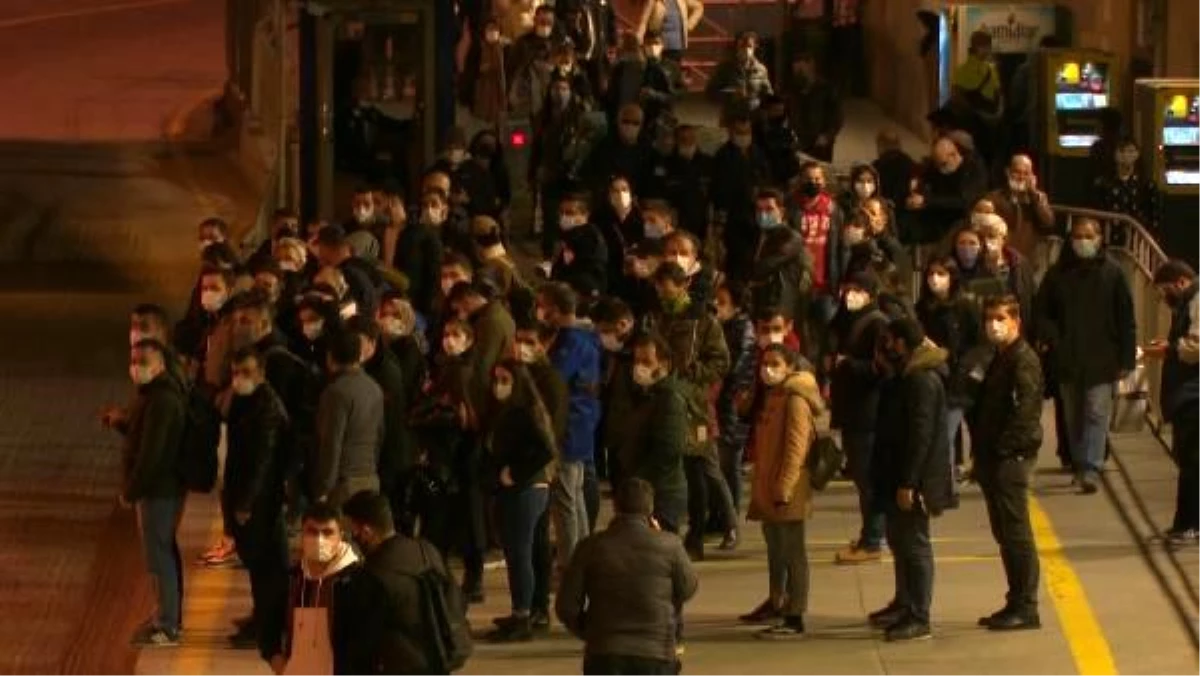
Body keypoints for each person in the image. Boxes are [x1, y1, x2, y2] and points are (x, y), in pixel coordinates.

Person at [867, 318, 954, 642]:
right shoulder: (903, 377)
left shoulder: (921, 381)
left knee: (914, 544)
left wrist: (909, 482)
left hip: (912, 479)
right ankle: (904, 602)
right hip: (896, 474)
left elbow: (921, 435)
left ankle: (919, 613)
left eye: (890, 341)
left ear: (902, 343)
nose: (886, 347)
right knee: (899, 541)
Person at [556, 478, 698, 675]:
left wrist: (592, 632)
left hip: (605, 652)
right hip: (656, 652)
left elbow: (567, 607)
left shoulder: (590, 546)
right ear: (651, 510)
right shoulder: (670, 544)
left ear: (615, 506)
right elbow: (687, 588)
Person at [1036, 217, 1136, 493]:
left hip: (1103, 358)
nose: (1082, 242)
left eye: (1088, 236)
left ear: (1099, 238)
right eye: (1078, 236)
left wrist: (1127, 359)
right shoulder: (1058, 274)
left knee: (1096, 412)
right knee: (1073, 415)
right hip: (1068, 358)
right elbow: (1042, 311)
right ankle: (1080, 464)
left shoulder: (1113, 274)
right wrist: (1053, 338)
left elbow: (1126, 317)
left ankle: (1091, 467)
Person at [971, 295, 1044, 631]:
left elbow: (1026, 411)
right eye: (989, 318)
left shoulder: (1022, 360)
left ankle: (1026, 605)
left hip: (1009, 458)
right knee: (1005, 532)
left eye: (1001, 318)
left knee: (1016, 534)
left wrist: (1004, 448)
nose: (994, 324)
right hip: (992, 456)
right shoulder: (997, 357)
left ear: (1016, 321)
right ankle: (1015, 599)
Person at [741, 345, 822, 637]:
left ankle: (795, 614)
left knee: (792, 552)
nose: (768, 369)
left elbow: (796, 448)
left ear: (790, 367)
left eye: (775, 363)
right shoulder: (773, 396)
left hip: (785, 487)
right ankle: (779, 602)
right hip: (769, 485)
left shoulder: (794, 400)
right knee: (776, 551)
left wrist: (784, 487)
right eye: (765, 363)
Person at [258, 503, 381, 675]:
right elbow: (268, 625)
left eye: (327, 532)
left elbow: (368, 642)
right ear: (302, 535)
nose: (319, 539)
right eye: (312, 532)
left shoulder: (358, 582)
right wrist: (276, 659)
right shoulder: (292, 579)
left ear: (341, 536)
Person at [342, 491, 456, 675]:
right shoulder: (427, 551)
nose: (351, 537)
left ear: (366, 531)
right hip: (439, 659)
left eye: (352, 530)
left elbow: (363, 640)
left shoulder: (373, 574)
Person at [483, 361, 558, 642]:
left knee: (519, 554)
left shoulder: (523, 413)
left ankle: (522, 614)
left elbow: (545, 450)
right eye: (496, 379)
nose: (498, 385)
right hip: (533, 488)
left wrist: (515, 473)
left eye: (504, 380)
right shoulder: (518, 410)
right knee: (534, 552)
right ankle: (534, 609)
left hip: (525, 490)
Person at [119, 339, 188, 646]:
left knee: (159, 556)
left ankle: (167, 624)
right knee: (160, 553)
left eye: (143, 362)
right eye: (133, 361)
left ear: (159, 364)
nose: (136, 368)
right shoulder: (155, 396)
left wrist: (132, 491)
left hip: (158, 491)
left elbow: (152, 454)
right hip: (160, 488)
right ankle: (165, 615)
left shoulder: (162, 400)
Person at [223, 347, 290, 649]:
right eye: (235, 373)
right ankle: (261, 616)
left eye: (246, 373)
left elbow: (262, 462)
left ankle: (267, 626)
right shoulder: (246, 401)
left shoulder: (267, 409)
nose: (239, 379)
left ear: (261, 373)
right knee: (258, 564)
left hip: (261, 503)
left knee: (266, 567)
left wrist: (246, 503)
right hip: (250, 498)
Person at [536, 283, 603, 569]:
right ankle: (582, 559)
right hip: (581, 422)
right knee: (573, 496)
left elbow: (554, 380)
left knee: (565, 499)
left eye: (543, 305)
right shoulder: (587, 338)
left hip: (570, 425)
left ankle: (570, 564)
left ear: (554, 309)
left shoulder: (570, 342)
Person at [829, 270, 889, 565]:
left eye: (857, 290)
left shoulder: (876, 324)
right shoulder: (851, 320)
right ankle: (873, 533)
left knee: (869, 481)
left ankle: (873, 539)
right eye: (847, 288)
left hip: (867, 414)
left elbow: (881, 368)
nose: (849, 295)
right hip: (854, 413)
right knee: (865, 480)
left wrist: (848, 364)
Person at [1145, 260, 1200, 545]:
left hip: (1194, 395)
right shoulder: (1191, 301)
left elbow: (1196, 348)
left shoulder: (1198, 300)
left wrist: (1170, 348)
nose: (1165, 298)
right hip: (1190, 393)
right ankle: (1186, 522)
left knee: (1191, 462)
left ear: (1180, 282)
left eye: (1165, 290)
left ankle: (1190, 524)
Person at [312, 329, 385, 507]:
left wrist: (323, 488)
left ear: (330, 356)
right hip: (369, 476)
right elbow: (380, 435)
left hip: (343, 483)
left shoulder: (336, 392)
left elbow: (331, 442)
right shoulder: (374, 388)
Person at [985, 154, 1055, 273]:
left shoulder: (1038, 198)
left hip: (1027, 262)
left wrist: (1033, 194)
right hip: (1000, 260)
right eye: (1017, 172)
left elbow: (1048, 222)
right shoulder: (994, 198)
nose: (1021, 177)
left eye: (1026, 173)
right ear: (1008, 172)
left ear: (1032, 176)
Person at [786, 51, 843, 162]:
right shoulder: (792, 90)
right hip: (799, 142)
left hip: (820, 144)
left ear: (811, 66)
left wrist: (827, 136)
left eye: (801, 70)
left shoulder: (826, 89)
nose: (798, 74)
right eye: (796, 71)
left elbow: (837, 117)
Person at [635, 0, 704, 65]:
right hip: (658, 45)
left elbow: (698, 7)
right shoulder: (654, 1)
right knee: (657, 71)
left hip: (677, 45)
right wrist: (638, 39)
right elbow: (644, 21)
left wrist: (689, 25)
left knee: (673, 72)